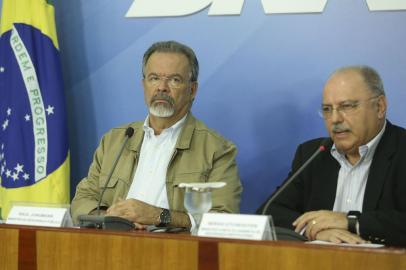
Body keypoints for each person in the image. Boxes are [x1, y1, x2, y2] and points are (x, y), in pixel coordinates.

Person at [71, 41, 242, 229]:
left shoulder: (216, 149)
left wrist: (159, 216)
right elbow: (82, 200)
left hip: (173, 251)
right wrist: (110, 219)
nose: (162, 87)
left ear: (192, 90)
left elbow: (223, 218)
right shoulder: (115, 140)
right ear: (144, 85)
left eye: (174, 80)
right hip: (112, 244)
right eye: (154, 78)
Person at [258, 65, 406, 246]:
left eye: (347, 106)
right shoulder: (313, 154)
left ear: (380, 106)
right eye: (327, 109)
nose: (335, 119)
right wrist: (316, 229)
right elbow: (268, 211)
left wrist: (352, 222)